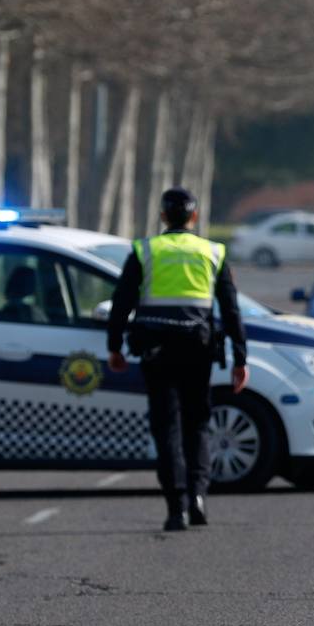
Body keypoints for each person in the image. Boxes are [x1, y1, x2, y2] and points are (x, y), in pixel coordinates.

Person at [107, 188, 249, 531]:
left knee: (166, 427)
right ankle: (198, 497)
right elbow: (230, 311)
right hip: (197, 350)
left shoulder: (145, 250)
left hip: (156, 352)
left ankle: (177, 507)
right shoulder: (212, 252)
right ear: (194, 217)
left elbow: (122, 302)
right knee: (197, 424)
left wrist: (114, 346)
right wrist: (239, 358)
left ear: (163, 217)